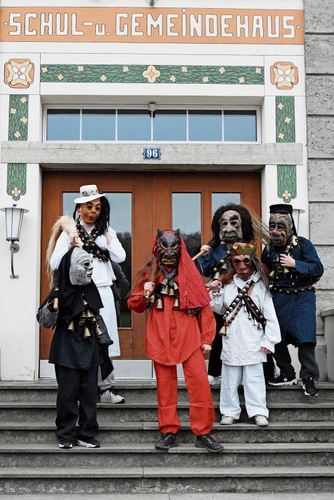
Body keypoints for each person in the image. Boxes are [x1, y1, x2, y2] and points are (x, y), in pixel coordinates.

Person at [127, 228, 224, 453]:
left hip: (189, 337)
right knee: (165, 387)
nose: (169, 253)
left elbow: (204, 308)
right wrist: (145, 292)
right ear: (157, 248)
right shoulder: (150, 273)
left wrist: (207, 338)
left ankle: (203, 432)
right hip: (160, 337)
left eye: (174, 248)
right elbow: (134, 305)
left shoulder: (189, 273)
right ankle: (168, 430)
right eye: (165, 248)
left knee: (200, 385)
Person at [48, 184, 126, 404]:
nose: (93, 211)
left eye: (97, 207)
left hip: (103, 291)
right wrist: (70, 245)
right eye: (88, 206)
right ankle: (85, 389)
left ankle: (106, 388)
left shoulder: (107, 232)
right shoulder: (69, 233)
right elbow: (54, 262)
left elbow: (120, 257)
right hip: (79, 295)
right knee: (83, 340)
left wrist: (108, 239)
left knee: (104, 339)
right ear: (80, 208)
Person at [38, 246, 105, 449]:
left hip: (89, 344)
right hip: (66, 346)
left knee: (89, 393)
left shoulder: (91, 290)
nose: (89, 270)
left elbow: (98, 317)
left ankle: (87, 433)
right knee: (67, 393)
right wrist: (51, 307)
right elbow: (43, 320)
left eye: (90, 264)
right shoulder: (60, 291)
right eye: (84, 265)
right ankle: (65, 434)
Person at [197, 203, 271, 385]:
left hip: (244, 296)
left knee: (252, 332)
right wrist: (202, 254)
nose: (229, 228)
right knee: (218, 333)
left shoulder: (249, 248)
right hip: (219, 296)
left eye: (233, 223)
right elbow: (204, 270)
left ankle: (266, 372)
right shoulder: (214, 249)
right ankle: (214, 372)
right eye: (224, 224)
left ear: (241, 225)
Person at [209, 242, 281, 427]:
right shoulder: (228, 285)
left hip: (254, 340)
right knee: (229, 380)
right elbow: (218, 309)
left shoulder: (260, 286)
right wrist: (216, 292)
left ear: (252, 262)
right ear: (232, 264)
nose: (241, 267)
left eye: (246, 262)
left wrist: (269, 340)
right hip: (232, 339)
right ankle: (229, 412)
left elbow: (270, 315)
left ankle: (258, 411)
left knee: (254, 379)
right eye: (237, 262)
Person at [261, 204, 324, 396]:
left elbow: (318, 269)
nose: (275, 231)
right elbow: (264, 272)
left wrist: (295, 263)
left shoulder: (304, 244)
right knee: (275, 336)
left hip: (303, 296)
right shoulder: (269, 248)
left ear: (289, 227)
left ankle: (309, 377)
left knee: (305, 338)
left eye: (280, 227)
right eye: (272, 226)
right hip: (279, 297)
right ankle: (287, 373)